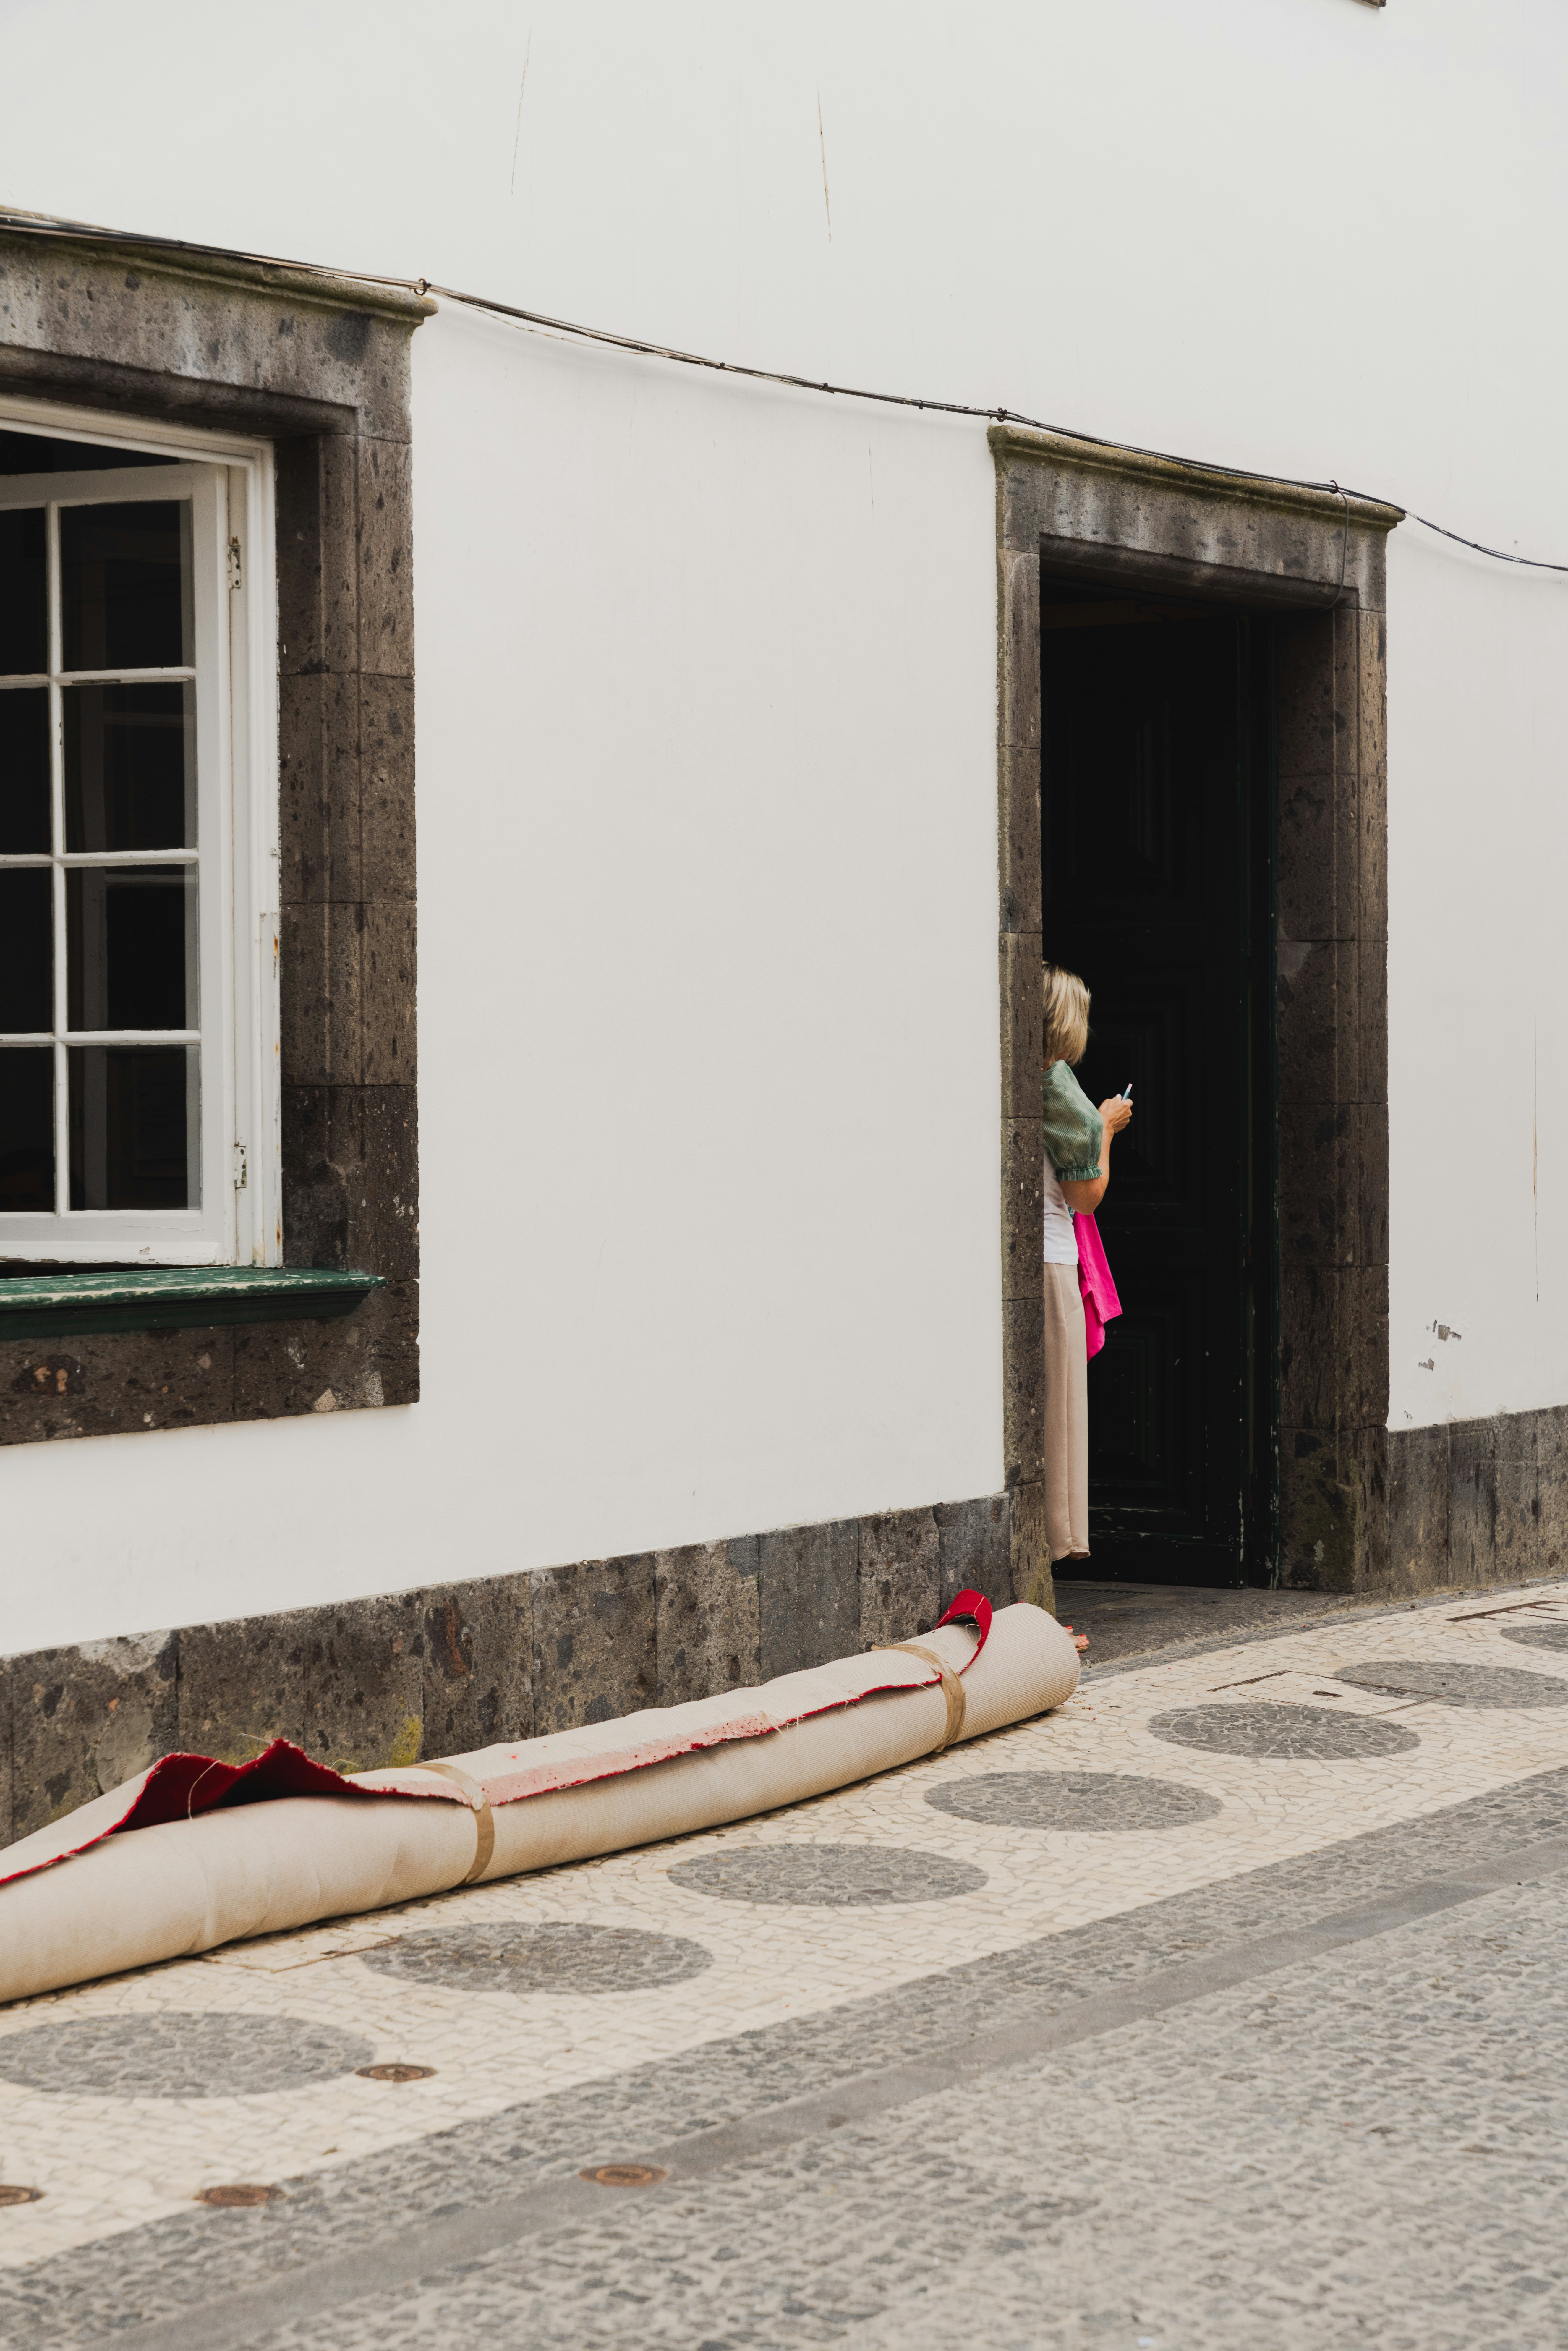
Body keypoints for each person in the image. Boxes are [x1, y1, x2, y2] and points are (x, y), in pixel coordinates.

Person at [1039, 963, 1133, 1564]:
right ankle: (1060, 1542)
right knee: (1064, 1414)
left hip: (1037, 1262)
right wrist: (1107, 1127)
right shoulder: (1058, 1084)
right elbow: (1086, 1195)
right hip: (1053, 1263)